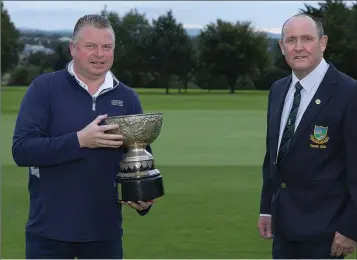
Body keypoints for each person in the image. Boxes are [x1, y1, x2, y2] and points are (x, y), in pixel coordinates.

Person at [12, 14, 154, 259]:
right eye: (91, 46)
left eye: (106, 47)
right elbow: (22, 149)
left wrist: (143, 194)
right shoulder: (44, 89)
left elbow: (140, 157)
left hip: (104, 234)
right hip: (49, 233)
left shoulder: (128, 98)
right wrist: (79, 141)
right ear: (73, 48)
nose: (99, 54)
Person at [258, 14, 357, 259]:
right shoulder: (278, 90)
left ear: (322, 43)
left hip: (327, 233)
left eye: (307, 39)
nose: (299, 47)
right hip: (283, 229)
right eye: (291, 40)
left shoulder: (349, 93)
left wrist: (351, 228)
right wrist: (267, 209)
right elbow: (273, 155)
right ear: (282, 47)